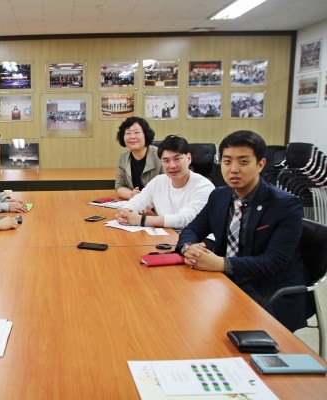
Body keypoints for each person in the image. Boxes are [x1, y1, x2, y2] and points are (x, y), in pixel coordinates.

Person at [177, 130, 308, 332]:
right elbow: (192, 229)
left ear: (261, 164)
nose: (234, 169)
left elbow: (274, 262)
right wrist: (188, 247)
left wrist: (221, 263)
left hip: (266, 291)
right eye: (227, 162)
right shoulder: (219, 196)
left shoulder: (285, 205)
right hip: (224, 283)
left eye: (243, 162)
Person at [115, 135, 214, 229]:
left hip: (194, 243)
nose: (172, 166)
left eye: (177, 159)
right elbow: (138, 201)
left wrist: (141, 220)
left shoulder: (204, 187)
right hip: (165, 237)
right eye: (166, 161)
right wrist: (126, 212)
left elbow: (184, 219)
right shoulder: (158, 181)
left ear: (188, 158)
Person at [114, 116, 162, 200]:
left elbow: (170, 186)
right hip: (137, 204)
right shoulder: (123, 157)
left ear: (145, 135)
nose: (132, 137)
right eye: (128, 133)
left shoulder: (160, 155)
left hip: (159, 204)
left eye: (136, 132)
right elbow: (119, 186)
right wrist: (131, 194)